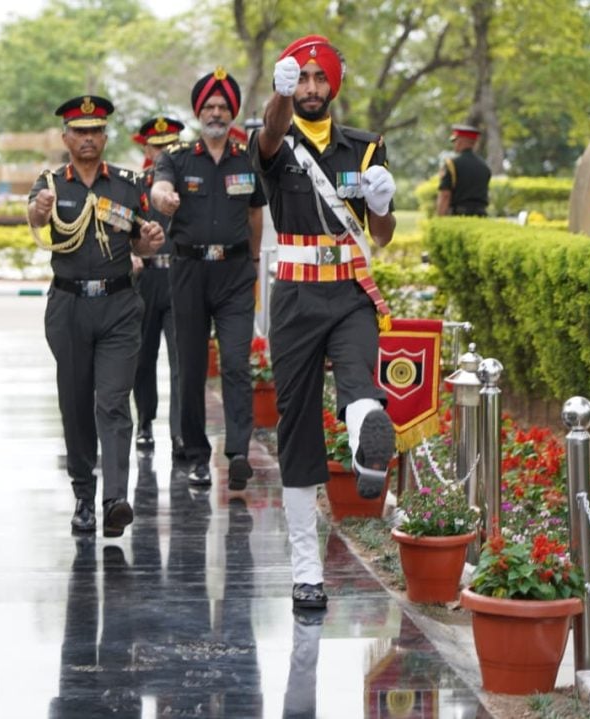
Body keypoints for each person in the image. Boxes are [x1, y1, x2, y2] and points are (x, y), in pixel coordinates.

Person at [251, 35, 398, 612]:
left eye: (319, 78)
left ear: (333, 84)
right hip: (295, 296)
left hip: (349, 291)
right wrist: (278, 97)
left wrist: (381, 204)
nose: (311, 88)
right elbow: (269, 134)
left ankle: (367, 451)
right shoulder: (275, 139)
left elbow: (381, 235)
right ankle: (306, 569)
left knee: (360, 380)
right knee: (297, 424)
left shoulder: (364, 148)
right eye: (302, 78)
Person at [27, 95, 165, 538]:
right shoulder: (50, 184)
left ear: (105, 137)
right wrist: (39, 210)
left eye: (95, 131)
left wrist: (149, 241)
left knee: (113, 401)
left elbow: (141, 241)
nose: (88, 138)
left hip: (119, 305)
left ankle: (115, 500)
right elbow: (35, 217)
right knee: (75, 404)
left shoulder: (127, 184)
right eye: (79, 131)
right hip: (69, 307)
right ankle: (84, 495)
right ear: (66, 137)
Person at [150, 67, 267, 491]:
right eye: (209, 107)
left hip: (234, 273)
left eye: (222, 107)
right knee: (191, 367)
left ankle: (238, 453)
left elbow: (255, 213)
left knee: (235, 363)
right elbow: (159, 188)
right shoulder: (177, 157)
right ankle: (197, 455)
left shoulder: (247, 159)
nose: (216, 113)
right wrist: (163, 198)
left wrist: (253, 259)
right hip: (189, 272)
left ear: (232, 113)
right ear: (199, 113)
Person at [131, 115, 185, 459]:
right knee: (143, 356)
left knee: (182, 360)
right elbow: (121, 225)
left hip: (180, 276)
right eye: (157, 146)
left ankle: (179, 432)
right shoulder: (136, 185)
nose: (164, 152)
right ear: (147, 149)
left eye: (170, 145)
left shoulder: (190, 182)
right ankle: (145, 422)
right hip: (146, 278)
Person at [436, 123, 491, 217]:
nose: (454, 144)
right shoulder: (484, 166)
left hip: (459, 216)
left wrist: (440, 219)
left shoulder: (452, 164)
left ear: (460, 141)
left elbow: (445, 195)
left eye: (455, 141)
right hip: (481, 216)